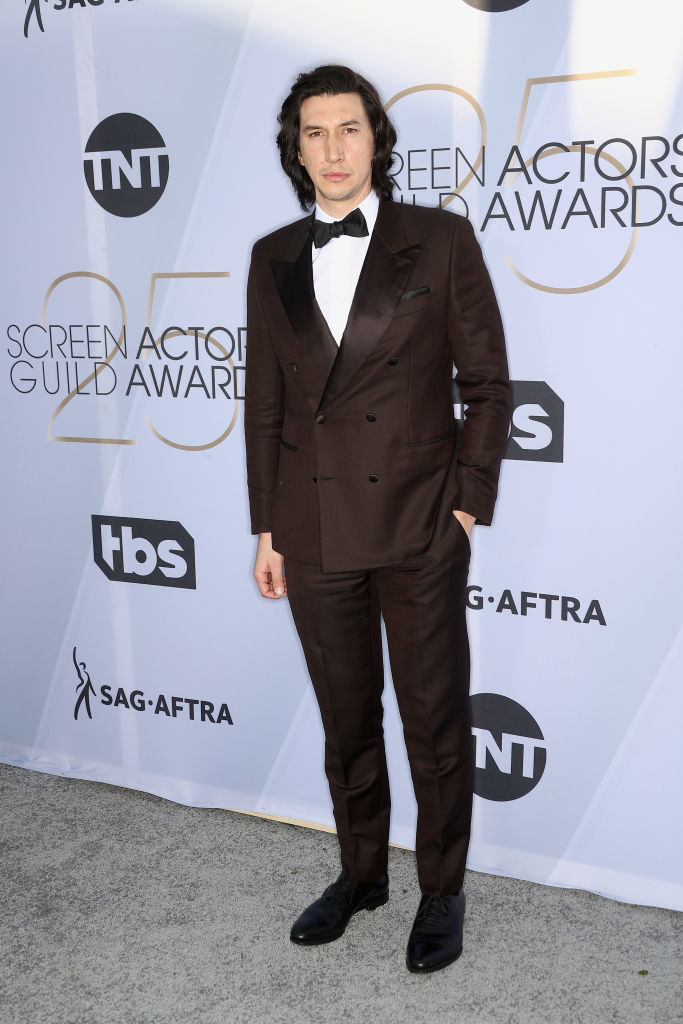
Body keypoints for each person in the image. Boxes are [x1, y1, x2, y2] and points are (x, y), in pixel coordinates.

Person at [244, 64, 510, 973]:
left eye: (347, 130)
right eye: (313, 134)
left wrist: (467, 507)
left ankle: (440, 889)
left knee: (433, 721)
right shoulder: (270, 255)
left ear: (375, 139)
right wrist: (266, 529)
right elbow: (267, 406)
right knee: (344, 718)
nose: (331, 150)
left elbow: (486, 385)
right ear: (296, 149)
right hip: (312, 529)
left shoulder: (437, 242)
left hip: (416, 523)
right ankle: (362, 874)